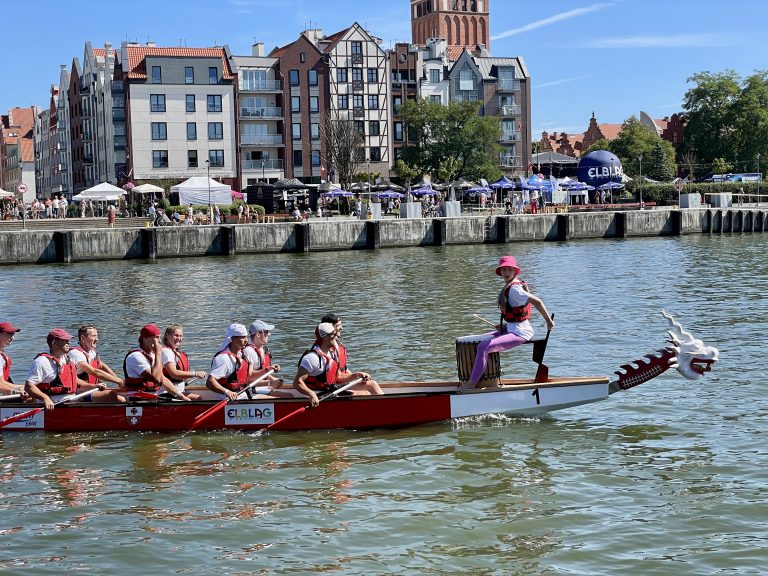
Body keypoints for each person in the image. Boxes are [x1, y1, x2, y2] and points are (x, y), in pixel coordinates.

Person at [467, 256, 554, 386]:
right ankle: (488, 381)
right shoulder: (510, 286)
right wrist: (504, 326)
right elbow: (515, 315)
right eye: (504, 270)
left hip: (521, 332)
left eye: (509, 270)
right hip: (513, 328)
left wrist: (548, 321)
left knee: (483, 347)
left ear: (514, 271)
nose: (506, 273)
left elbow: (537, 301)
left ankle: (471, 385)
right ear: (500, 272)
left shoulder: (515, 289)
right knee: (480, 340)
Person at [25, 328, 124, 410]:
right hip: (55, 405)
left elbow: (76, 382)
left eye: (68, 340)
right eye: (65, 340)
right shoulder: (42, 361)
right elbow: (28, 386)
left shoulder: (66, 359)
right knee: (111, 396)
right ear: (54, 343)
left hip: (72, 399)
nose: (69, 342)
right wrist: (45, 398)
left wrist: (93, 386)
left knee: (116, 397)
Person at [294, 322, 382, 407]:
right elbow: (297, 382)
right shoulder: (312, 358)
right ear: (325, 337)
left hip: (330, 390)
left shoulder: (331, 353)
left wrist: (357, 375)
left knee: (367, 390)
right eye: (334, 334)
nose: (336, 337)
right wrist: (311, 394)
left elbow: (338, 377)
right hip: (319, 394)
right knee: (364, 394)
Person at [123, 324, 192, 400]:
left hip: (154, 397)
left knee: (188, 400)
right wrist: (158, 353)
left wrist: (180, 396)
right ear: (145, 338)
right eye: (156, 337)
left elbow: (163, 379)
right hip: (139, 398)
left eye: (159, 337)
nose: (159, 341)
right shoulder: (135, 356)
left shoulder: (152, 355)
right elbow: (156, 378)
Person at [206, 323, 262, 400]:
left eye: (246, 336)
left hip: (243, 396)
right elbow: (210, 382)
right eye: (242, 337)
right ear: (232, 339)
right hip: (228, 400)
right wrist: (227, 392)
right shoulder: (223, 358)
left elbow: (247, 378)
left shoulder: (241, 354)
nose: (246, 340)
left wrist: (267, 370)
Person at [242, 320, 293, 398]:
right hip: (249, 391)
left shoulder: (263, 349)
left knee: (290, 395)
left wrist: (274, 379)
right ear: (258, 334)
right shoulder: (249, 352)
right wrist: (270, 382)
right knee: (282, 399)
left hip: (260, 388)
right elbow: (248, 380)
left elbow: (261, 372)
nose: (269, 334)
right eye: (266, 332)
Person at [161, 324, 204, 400]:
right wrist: (196, 374)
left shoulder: (175, 351)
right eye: (176, 335)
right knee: (197, 398)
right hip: (167, 392)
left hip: (179, 390)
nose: (179, 338)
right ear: (167, 335)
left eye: (181, 336)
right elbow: (174, 374)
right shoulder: (166, 352)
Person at [0, 321, 27, 399]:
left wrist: (20, 387)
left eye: (13, 334)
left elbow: (2, 382)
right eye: (9, 334)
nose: (12, 337)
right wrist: (15, 391)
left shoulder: (2, 355)